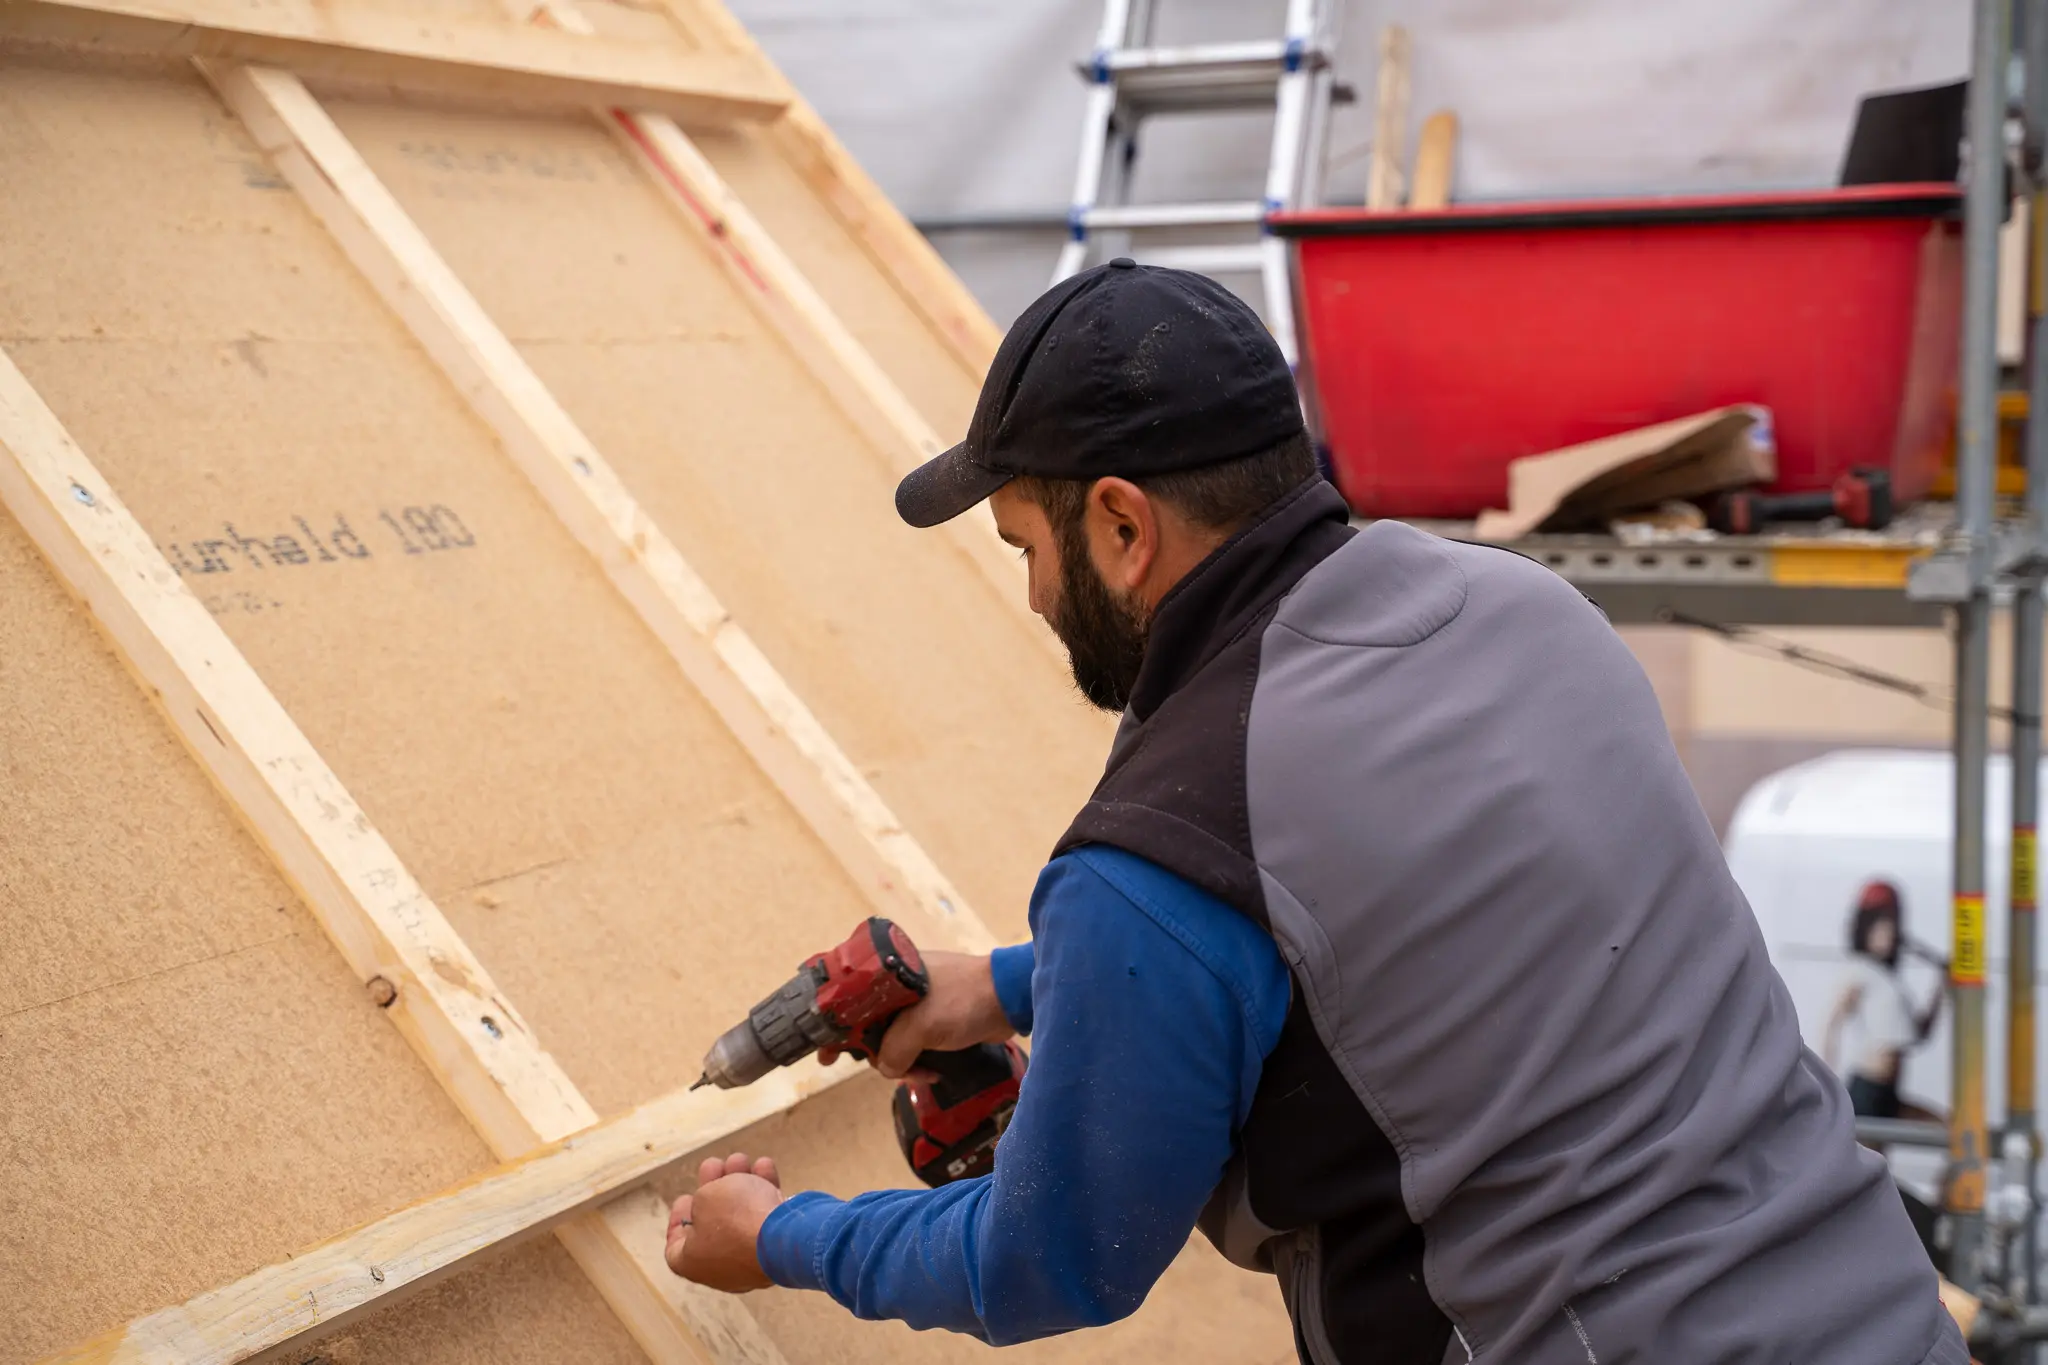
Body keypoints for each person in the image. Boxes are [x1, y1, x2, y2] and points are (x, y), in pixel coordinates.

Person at [664, 260, 1966, 1363]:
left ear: (1119, 527)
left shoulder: (1162, 845)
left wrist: (781, 1238)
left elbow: (1052, 1258)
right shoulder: (1520, 612)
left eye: (1027, 548)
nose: (1035, 599)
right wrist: (1011, 986)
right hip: (1875, 1312)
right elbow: (1398, 922)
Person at [1824, 879, 1945, 1119]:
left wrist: (1940, 988)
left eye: (1893, 925)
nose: (1889, 933)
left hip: (1890, 1091)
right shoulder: (1858, 970)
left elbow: (1920, 1034)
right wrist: (1827, 1084)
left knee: (1941, 1127)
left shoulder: (1890, 982)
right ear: (1866, 927)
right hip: (1868, 1086)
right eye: (1881, 925)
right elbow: (1831, 1023)